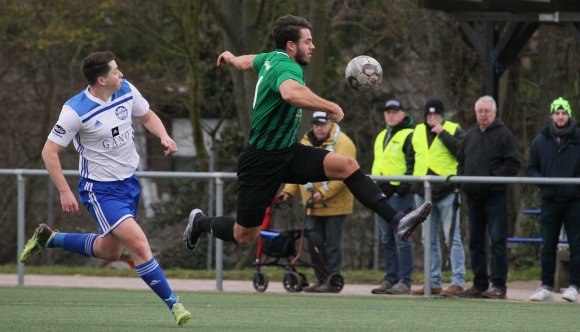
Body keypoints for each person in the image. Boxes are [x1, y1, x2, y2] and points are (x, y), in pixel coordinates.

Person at [183, 15, 432, 260]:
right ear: (291, 45)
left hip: (288, 153)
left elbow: (250, 62)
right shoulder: (288, 66)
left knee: (346, 166)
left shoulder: (271, 59)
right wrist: (331, 107)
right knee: (244, 235)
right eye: (308, 41)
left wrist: (232, 58)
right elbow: (291, 93)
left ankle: (398, 220)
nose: (313, 47)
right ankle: (200, 222)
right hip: (260, 162)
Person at [19, 51, 191, 326]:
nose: (121, 74)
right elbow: (49, 152)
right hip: (101, 190)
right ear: (101, 79)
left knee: (109, 251)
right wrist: (64, 190)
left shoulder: (126, 90)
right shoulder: (75, 110)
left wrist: (165, 135)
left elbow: (147, 116)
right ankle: (175, 305)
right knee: (139, 244)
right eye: (115, 71)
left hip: (129, 184)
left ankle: (49, 239)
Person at [279, 111, 356, 292]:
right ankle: (321, 279)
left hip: (335, 206)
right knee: (313, 243)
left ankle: (332, 279)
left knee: (332, 244)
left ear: (330, 124)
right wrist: (288, 192)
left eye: (322, 124)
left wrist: (323, 193)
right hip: (311, 205)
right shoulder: (305, 143)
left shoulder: (344, 143)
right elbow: (296, 170)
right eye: (316, 124)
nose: (318, 128)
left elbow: (345, 173)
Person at [457, 95, 521, 300]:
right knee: (475, 241)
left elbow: (513, 164)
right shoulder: (469, 137)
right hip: (473, 198)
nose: (483, 115)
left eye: (487, 111)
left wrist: (491, 178)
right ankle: (479, 283)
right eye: (480, 111)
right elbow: (461, 163)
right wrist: (463, 181)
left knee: (498, 241)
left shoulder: (504, 135)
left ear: (494, 113)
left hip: (495, 197)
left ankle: (499, 285)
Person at [410, 99, 466, 297]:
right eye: (429, 115)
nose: (432, 118)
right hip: (423, 193)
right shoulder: (416, 131)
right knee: (428, 239)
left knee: (453, 239)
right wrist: (412, 183)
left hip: (447, 192)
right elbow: (411, 158)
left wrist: (442, 133)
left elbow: (461, 151)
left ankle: (457, 281)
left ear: (442, 116)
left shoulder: (453, 129)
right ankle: (433, 281)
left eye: (436, 115)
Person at [526, 97, 580, 302]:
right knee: (548, 244)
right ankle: (546, 286)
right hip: (550, 199)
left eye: (564, 113)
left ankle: (574, 286)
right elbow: (531, 167)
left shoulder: (578, 139)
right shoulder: (540, 141)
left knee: (577, 245)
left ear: (568, 115)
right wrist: (542, 181)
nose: (560, 116)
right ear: (552, 116)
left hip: (574, 199)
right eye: (557, 113)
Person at [370, 99, 416, 295]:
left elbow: (412, 163)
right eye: (387, 111)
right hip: (382, 193)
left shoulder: (410, 134)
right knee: (386, 239)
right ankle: (391, 278)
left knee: (402, 238)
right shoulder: (382, 135)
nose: (390, 115)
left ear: (403, 114)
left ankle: (405, 281)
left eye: (394, 111)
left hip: (399, 194)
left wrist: (403, 188)